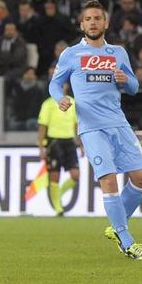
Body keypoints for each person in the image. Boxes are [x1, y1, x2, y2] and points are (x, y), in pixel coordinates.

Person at [49, 0, 142, 260]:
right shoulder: (71, 54)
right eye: (88, 19)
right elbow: (54, 84)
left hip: (119, 123)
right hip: (92, 127)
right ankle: (126, 240)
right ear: (82, 24)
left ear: (105, 23)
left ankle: (118, 226)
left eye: (97, 18)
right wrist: (58, 99)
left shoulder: (118, 52)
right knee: (109, 180)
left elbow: (134, 87)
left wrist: (125, 79)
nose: (93, 22)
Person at [37, 83, 83, 216]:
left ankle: (58, 195)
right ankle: (58, 208)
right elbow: (42, 127)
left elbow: (76, 125)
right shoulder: (48, 104)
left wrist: (80, 143)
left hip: (69, 141)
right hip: (54, 141)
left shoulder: (73, 102)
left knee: (75, 175)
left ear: (67, 87)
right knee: (55, 175)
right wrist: (41, 147)